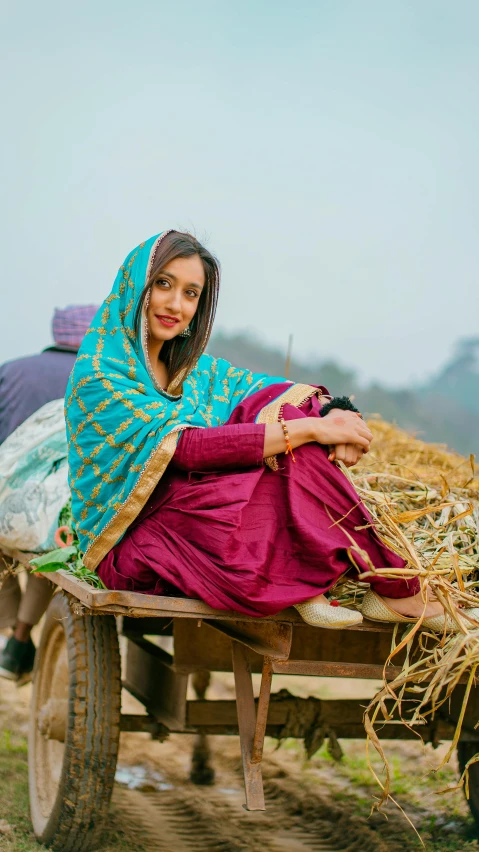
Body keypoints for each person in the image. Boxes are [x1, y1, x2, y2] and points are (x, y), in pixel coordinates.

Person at [65, 231, 450, 631]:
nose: (176, 304)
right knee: (283, 454)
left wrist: (340, 419)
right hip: (135, 539)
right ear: (134, 287)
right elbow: (187, 450)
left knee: (293, 444)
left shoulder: (194, 372)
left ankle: (372, 585)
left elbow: (267, 391)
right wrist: (312, 429)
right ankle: (389, 584)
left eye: (191, 293)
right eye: (163, 284)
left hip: (193, 503)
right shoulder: (100, 374)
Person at [0, 304, 98, 683]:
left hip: (7, 496)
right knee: (50, 559)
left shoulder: (13, 371)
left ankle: (11, 636)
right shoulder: (98, 379)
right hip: (61, 504)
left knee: (4, 556)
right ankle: (23, 634)